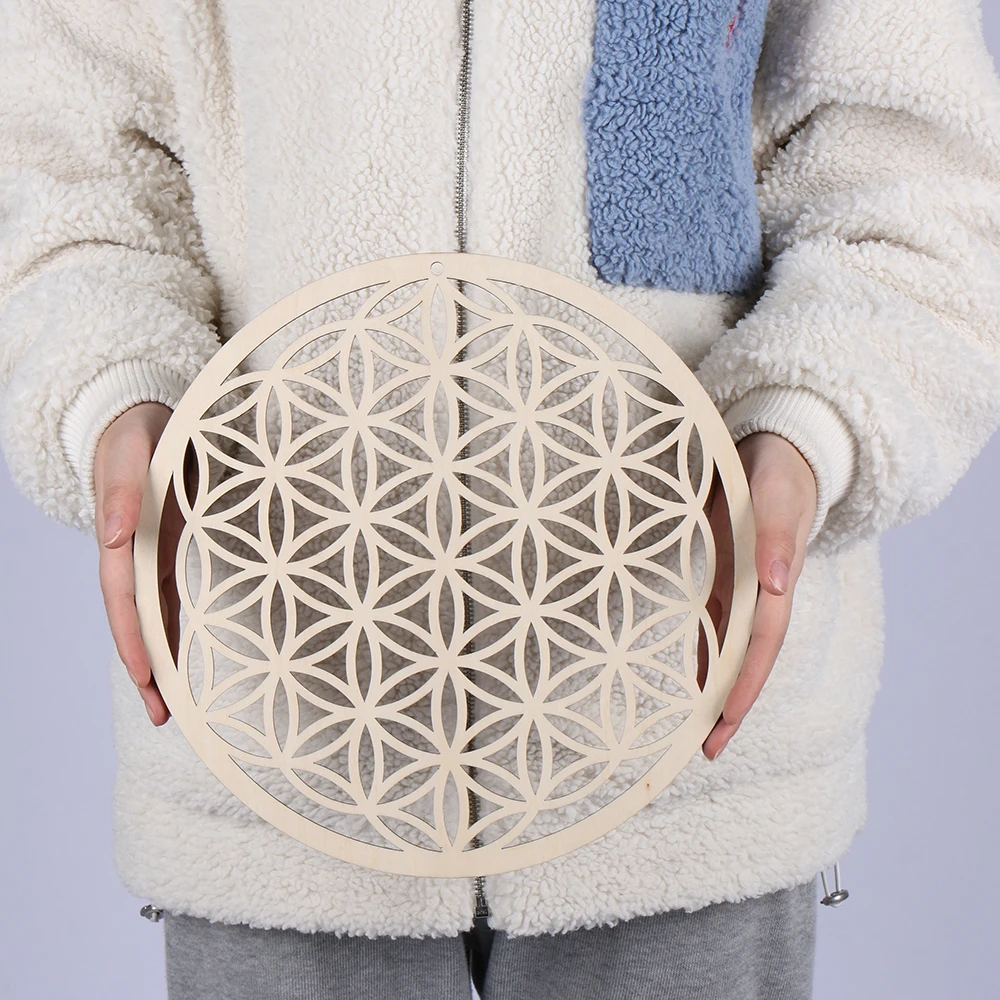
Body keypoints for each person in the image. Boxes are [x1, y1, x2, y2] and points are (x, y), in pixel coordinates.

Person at [1, 1, 998, 998]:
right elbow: (63, 161)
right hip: (278, 698)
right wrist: (115, 382)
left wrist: (806, 418)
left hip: (678, 707)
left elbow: (915, 184)